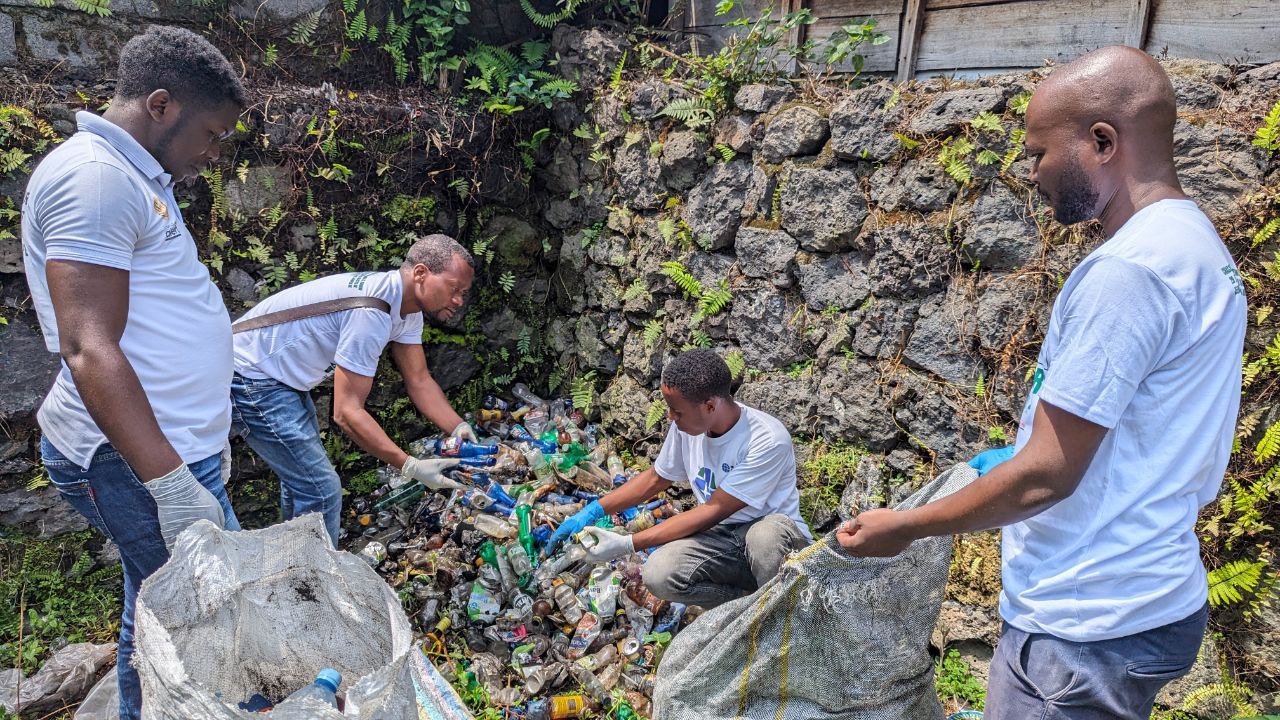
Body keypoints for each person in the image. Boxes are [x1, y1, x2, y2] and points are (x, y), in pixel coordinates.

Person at [837, 46, 1246, 720]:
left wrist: (906, 527)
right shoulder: (1194, 245)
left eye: (1038, 154)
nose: (1030, 175)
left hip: (1085, 627)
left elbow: (1044, 478)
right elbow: (1146, 422)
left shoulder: (1131, 272)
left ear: (1102, 142)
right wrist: (1021, 451)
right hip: (1151, 595)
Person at [20, 26, 245, 720]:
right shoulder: (95, 180)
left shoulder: (135, 175)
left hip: (166, 448)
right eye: (211, 134)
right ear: (159, 105)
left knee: (154, 610)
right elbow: (88, 345)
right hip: (133, 461)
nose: (213, 154)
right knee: (198, 625)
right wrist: (174, 484)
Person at [228, 234, 477, 545]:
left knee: (302, 484)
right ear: (421, 274)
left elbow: (420, 380)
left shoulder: (406, 309)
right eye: (454, 289)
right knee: (320, 489)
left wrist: (458, 426)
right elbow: (346, 412)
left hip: (279, 377)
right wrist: (410, 466)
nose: (458, 301)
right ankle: (314, 584)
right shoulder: (372, 311)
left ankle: (291, 565)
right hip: (250, 375)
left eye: (463, 294)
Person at [547, 349, 812, 608]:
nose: (670, 417)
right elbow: (656, 478)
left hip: (773, 538)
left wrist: (626, 543)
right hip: (723, 539)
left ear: (709, 406)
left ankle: (787, 615)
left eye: (677, 411)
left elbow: (713, 510)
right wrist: (593, 510)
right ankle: (745, 611)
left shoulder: (767, 439)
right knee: (658, 574)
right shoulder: (687, 427)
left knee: (763, 538)